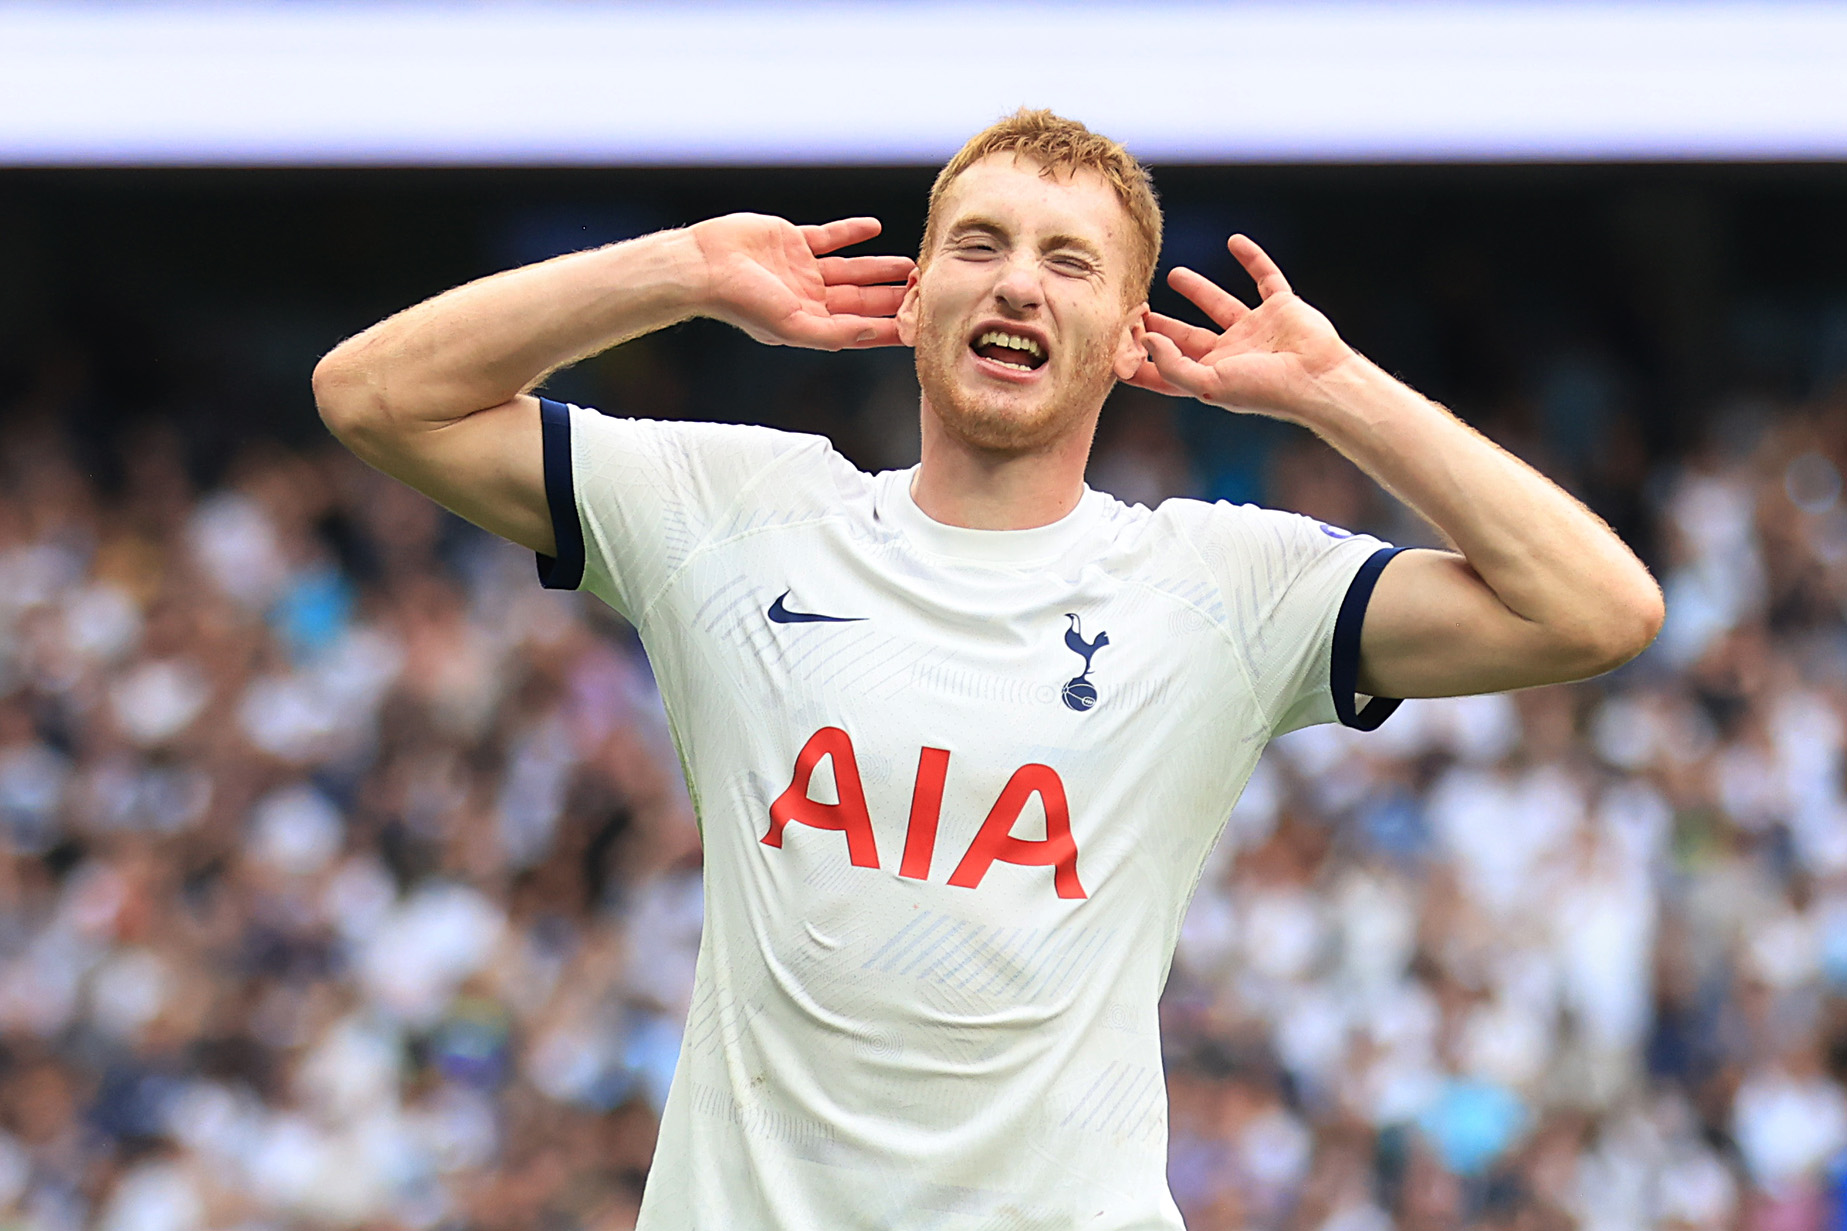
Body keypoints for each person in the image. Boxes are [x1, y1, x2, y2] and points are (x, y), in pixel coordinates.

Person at [313, 109, 1662, 1231]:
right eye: (980, 244)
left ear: (1135, 336)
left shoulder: (1221, 586)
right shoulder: (735, 511)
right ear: (916, 300)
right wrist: (675, 269)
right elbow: (372, 397)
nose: (1018, 281)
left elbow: (1595, 611)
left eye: (1071, 262)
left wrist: (1335, 389)